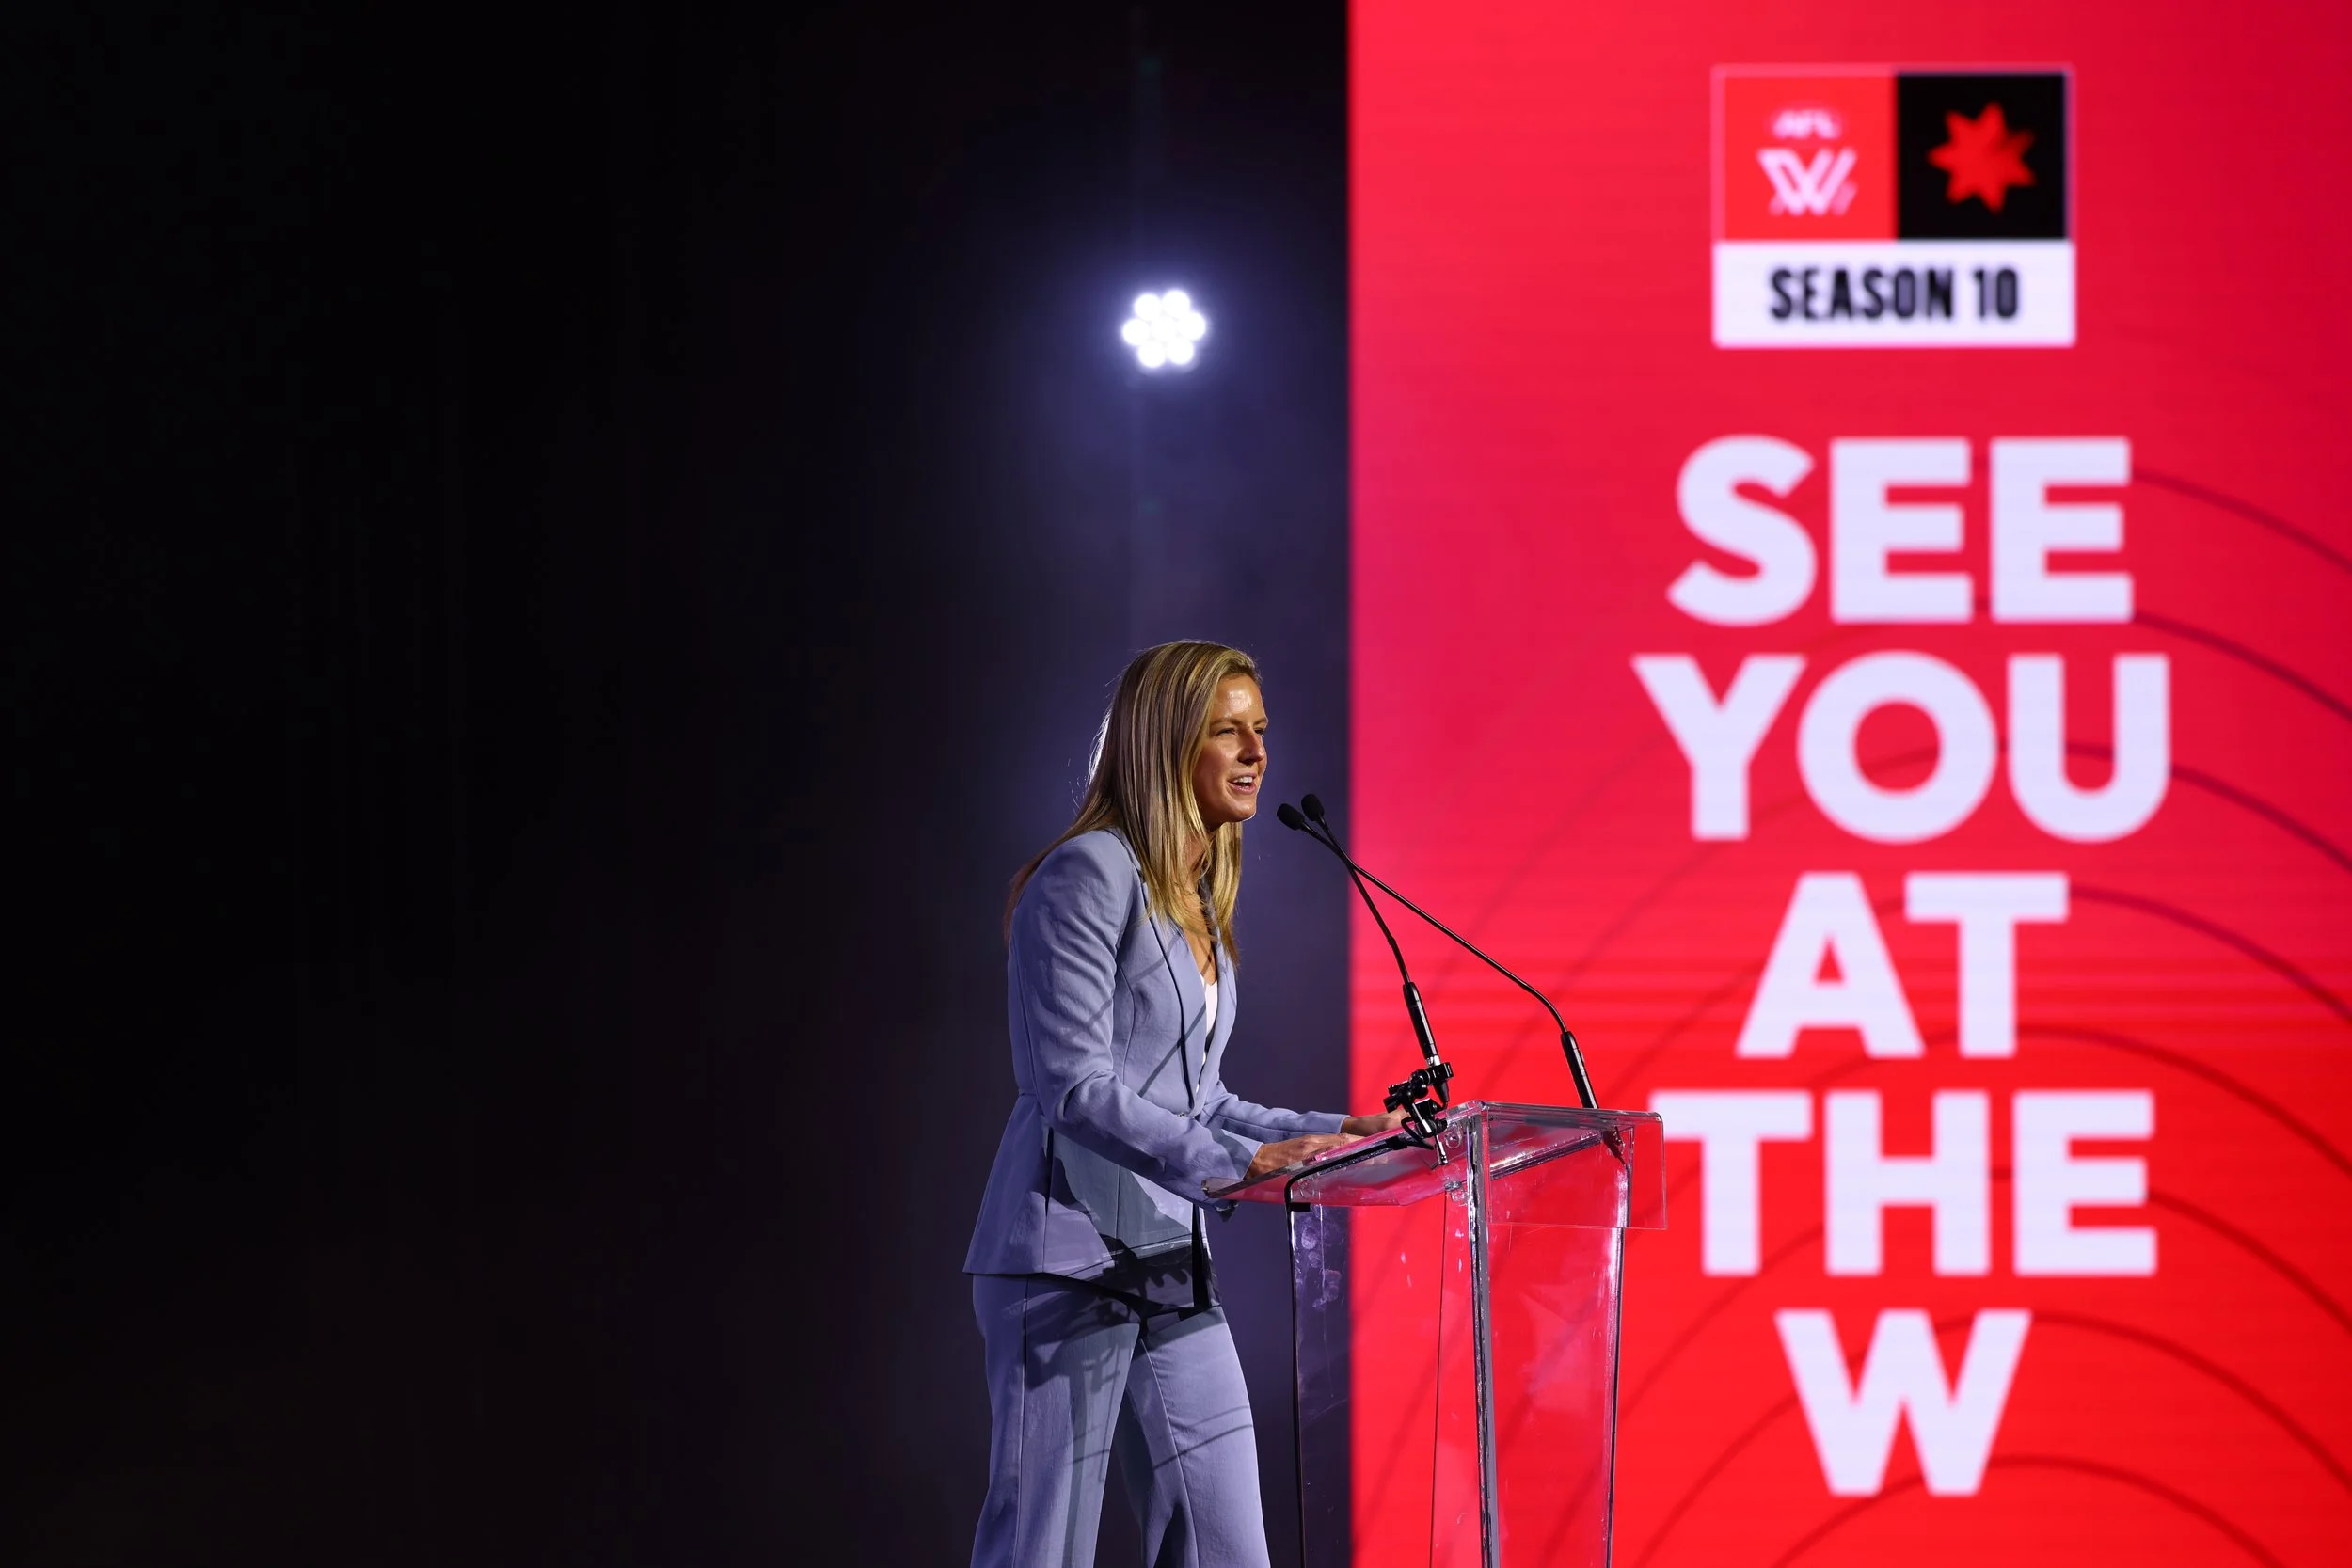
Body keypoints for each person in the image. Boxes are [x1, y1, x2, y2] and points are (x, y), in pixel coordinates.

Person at [964, 641, 1404, 1568]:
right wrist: (1237, 1162)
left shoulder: (1193, 899)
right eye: (1228, 731)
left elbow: (1203, 1098)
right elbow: (1072, 1083)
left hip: (1169, 1261)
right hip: (1066, 1258)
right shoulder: (1087, 874)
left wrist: (1334, 1136)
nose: (1256, 753)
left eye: (1262, 732)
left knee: (1227, 1547)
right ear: (1167, 743)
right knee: (1041, 1549)